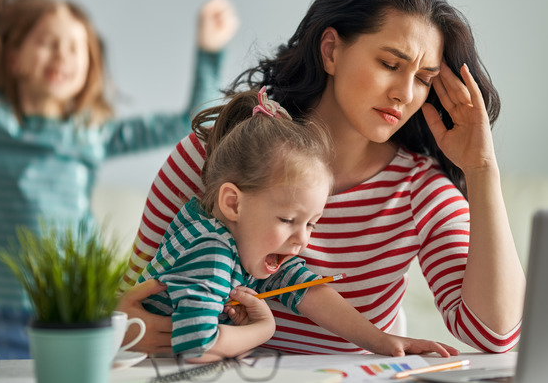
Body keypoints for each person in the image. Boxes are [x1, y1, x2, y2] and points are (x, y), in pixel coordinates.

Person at [118, 0, 525, 355]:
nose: (405, 93)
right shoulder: (216, 153)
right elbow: (126, 296)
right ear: (330, 51)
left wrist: (482, 170)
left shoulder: (419, 191)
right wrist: (125, 329)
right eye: (389, 64)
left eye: (423, 79)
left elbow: (494, 335)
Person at [0, 0, 238, 381]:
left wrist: (209, 50)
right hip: (15, 322)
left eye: (75, 47)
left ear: (89, 67)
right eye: (47, 41)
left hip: (90, 316)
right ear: (13, 58)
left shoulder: (90, 134)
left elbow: (193, 122)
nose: (62, 54)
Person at [139, 87, 454, 360]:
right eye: (288, 220)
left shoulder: (242, 241)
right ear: (233, 203)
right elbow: (196, 346)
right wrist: (263, 329)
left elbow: (306, 288)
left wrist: (381, 340)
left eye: (311, 224)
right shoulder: (211, 253)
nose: (302, 240)